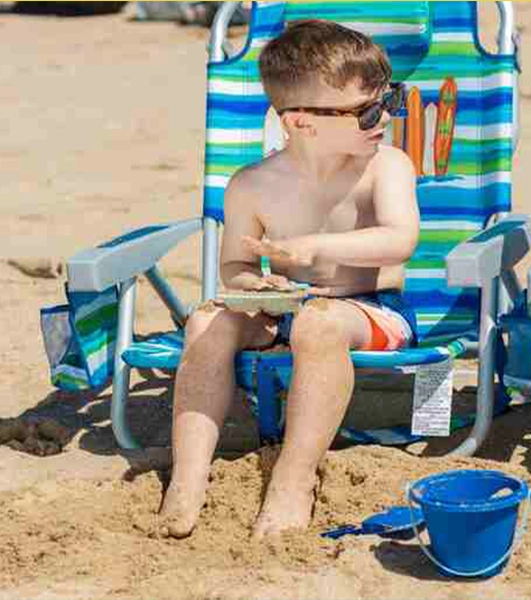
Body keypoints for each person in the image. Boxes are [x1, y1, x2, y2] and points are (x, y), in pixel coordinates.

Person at [157, 19, 419, 539]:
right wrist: (259, 288)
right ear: (301, 123)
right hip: (288, 309)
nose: (385, 116)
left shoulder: (386, 167)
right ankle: (187, 480)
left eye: (390, 100)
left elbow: (399, 240)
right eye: (367, 110)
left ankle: (294, 479)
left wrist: (316, 247)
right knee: (207, 319)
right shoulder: (253, 186)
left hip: (372, 309)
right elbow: (234, 267)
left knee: (317, 326)